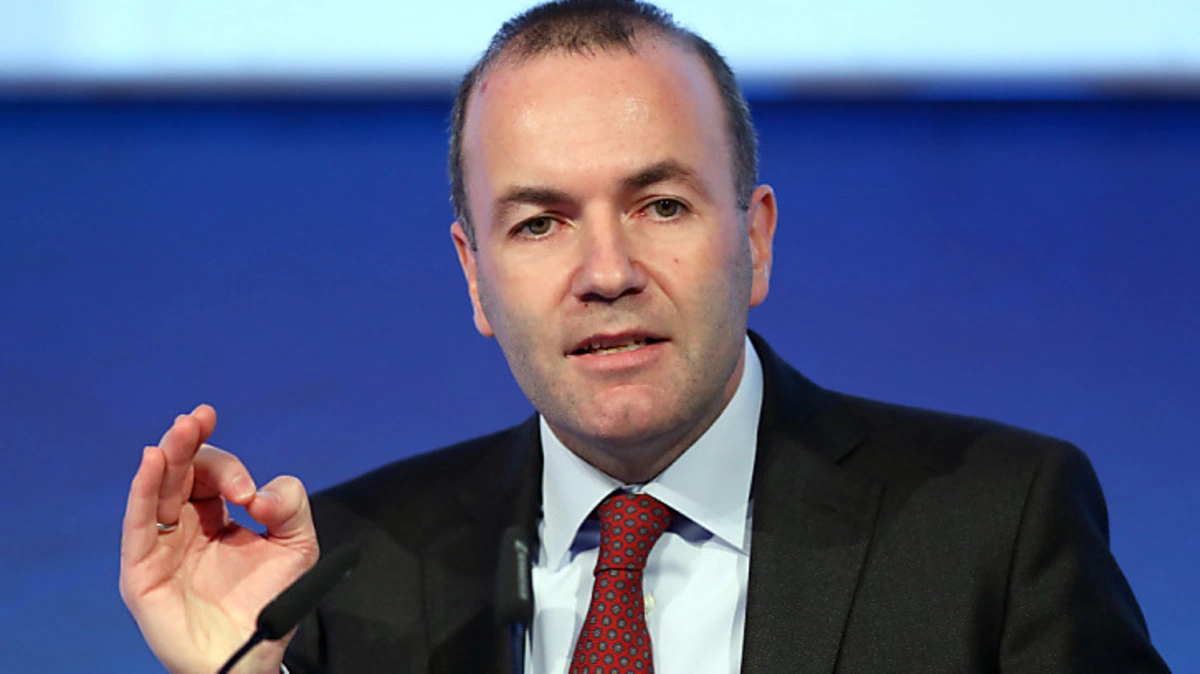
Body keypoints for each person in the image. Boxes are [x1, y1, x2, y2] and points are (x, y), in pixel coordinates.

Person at [119, 1, 1170, 672]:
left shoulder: (997, 526)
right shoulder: (348, 573)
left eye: (661, 205)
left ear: (755, 240)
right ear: (474, 277)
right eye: (540, 223)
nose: (608, 271)